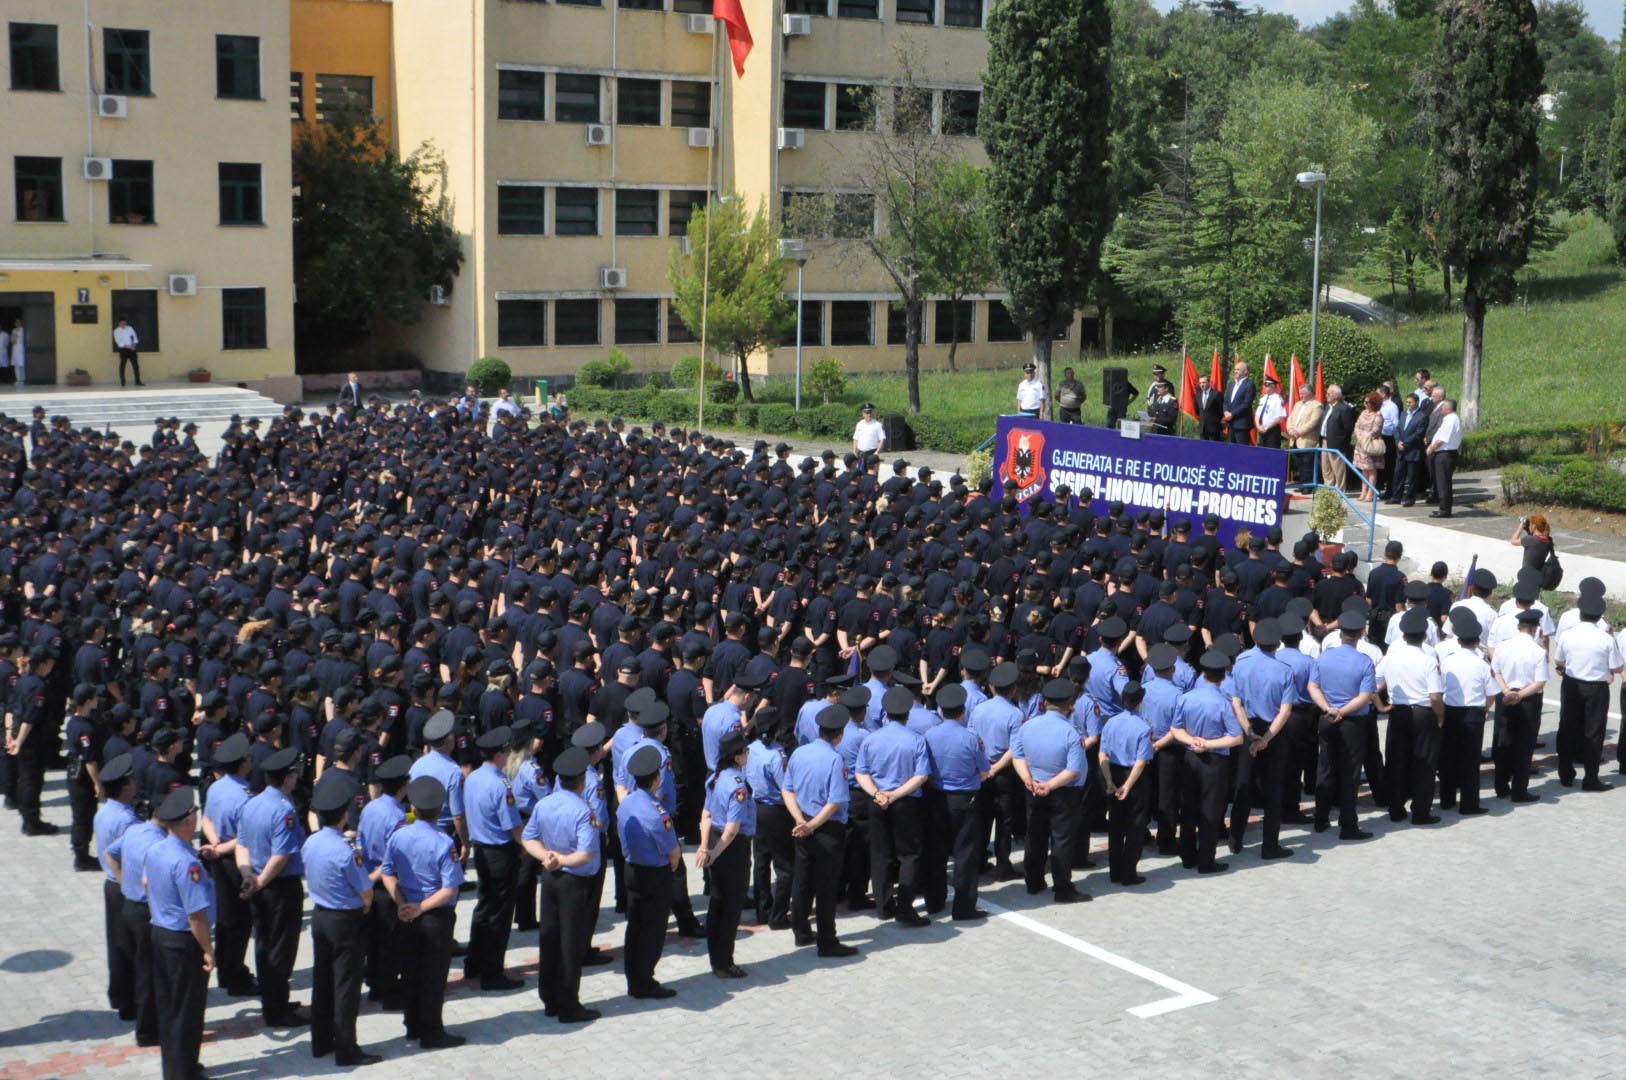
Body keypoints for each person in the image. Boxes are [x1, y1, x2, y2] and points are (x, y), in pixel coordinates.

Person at [382, 776, 467, 1047]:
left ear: (413, 808)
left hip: (407, 913)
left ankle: (413, 1025)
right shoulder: (443, 842)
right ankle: (432, 1032)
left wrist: (401, 904)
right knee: (433, 976)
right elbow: (449, 890)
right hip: (434, 916)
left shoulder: (398, 836)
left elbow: (387, 873)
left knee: (410, 972)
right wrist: (420, 908)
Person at [302, 779, 381, 1066]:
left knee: (322, 981)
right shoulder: (347, 852)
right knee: (346, 986)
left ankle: (320, 1041)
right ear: (344, 815)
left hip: (321, 915)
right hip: (345, 921)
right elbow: (366, 892)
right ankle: (347, 1049)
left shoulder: (311, 842)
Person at [521, 746, 601, 1024]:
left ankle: (550, 999)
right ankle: (569, 1005)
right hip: (573, 881)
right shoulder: (583, 810)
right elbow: (586, 853)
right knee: (571, 944)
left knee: (550, 939)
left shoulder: (544, 804)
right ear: (581, 781)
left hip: (550, 878)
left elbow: (528, 838)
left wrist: (546, 857)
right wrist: (562, 860)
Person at [235, 746, 310, 1027]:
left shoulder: (251, 804)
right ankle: (277, 1011)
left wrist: (248, 875)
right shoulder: (284, 811)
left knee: (265, 946)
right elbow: (281, 856)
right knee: (281, 949)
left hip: (256, 881)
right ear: (288, 778)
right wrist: (261, 882)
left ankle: (274, 999)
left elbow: (241, 844)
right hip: (278, 887)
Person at [144, 787, 215, 1080]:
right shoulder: (188, 864)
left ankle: (177, 1067)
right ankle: (183, 1072)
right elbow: (196, 916)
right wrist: (208, 950)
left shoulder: (158, 848)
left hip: (160, 933)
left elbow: (147, 883)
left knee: (169, 1006)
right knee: (187, 1010)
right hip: (183, 941)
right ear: (187, 821)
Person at [782, 704, 857, 957]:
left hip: (802, 825)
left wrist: (800, 821)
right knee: (826, 886)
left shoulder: (799, 753)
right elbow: (835, 800)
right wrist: (813, 825)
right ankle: (827, 940)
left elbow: (787, 789)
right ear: (839, 735)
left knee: (802, 880)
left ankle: (801, 932)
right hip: (826, 829)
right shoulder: (835, 759)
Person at [1012, 678, 1090, 902]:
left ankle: (1034, 882)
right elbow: (1073, 770)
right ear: (1070, 705)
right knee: (1062, 840)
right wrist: (1051, 785)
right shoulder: (1071, 733)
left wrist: (1028, 779)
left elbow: (1017, 756)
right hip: (1063, 793)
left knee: (1035, 836)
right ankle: (1063, 888)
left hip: (1034, 789)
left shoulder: (1027, 726)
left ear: (1044, 702)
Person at [1227, 619, 1296, 859]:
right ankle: (1269, 845)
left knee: (1243, 784)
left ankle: (1235, 839)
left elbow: (1235, 702)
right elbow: (1285, 710)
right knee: (1273, 788)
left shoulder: (1241, 663)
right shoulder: (1284, 670)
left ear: (1255, 640)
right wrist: (1266, 738)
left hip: (1248, 728)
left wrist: (1249, 732)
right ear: (1277, 643)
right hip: (1273, 732)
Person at [463, 726, 525, 990]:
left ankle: (473, 962)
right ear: (501, 754)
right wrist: (526, 845)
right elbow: (512, 825)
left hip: (481, 850)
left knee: (483, 908)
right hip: (501, 852)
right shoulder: (501, 785)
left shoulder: (474, 777)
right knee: (499, 915)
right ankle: (492, 973)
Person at [1308, 611, 1378, 841]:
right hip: (1353, 722)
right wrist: (1343, 711)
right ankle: (1348, 825)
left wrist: (1329, 709)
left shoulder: (1324, 657)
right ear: (1361, 633)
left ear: (1340, 634)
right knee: (1350, 773)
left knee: (1325, 768)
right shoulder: (1364, 661)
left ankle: (1320, 818)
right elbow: (1365, 696)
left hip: (1326, 719)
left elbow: (1312, 687)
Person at [1172, 651, 1245, 873]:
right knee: (1211, 812)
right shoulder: (1223, 703)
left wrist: (1192, 742)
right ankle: (1206, 861)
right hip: (1215, 762)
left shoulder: (1185, 698)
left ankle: (1187, 856)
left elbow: (1176, 729)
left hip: (1190, 757)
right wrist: (1209, 744)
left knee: (1189, 808)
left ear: (1203, 674)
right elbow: (1237, 737)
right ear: (1223, 677)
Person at [618, 744, 681, 999]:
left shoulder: (627, 803)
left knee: (635, 926)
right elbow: (673, 851)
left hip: (631, 869)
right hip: (654, 875)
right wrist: (673, 865)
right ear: (656, 778)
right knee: (653, 930)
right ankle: (645, 981)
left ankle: (634, 977)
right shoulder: (658, 812)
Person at [199, 732, 257, 996]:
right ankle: (235, 976)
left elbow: (207, 820)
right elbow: (245, 838)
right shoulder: (245, 797)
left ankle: (225, 969)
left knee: (224, 918)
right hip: (236, 863)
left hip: (217, 861)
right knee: (240, 922)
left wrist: (213, 845)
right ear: (243, 763)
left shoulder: (215, 787)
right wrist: (221, 848)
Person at [1375, 608, 1445, 825]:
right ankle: (1421, 811)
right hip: (1423, 713)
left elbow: (1374, 684)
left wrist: (1380, 706)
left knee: (1396, 761)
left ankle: (1396, 809)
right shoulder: (1428, 660)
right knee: (1424, 762)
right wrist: (1441, 717)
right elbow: (1435, 696)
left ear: (1403, 635)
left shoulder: (1391, 658)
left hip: (1398, 711)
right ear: (1424, 636)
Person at [696, 728, 754, 977]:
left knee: (717, 904)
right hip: (731, 848)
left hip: (715, 842)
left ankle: (715, 959)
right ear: (738, 756)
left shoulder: (716, 777)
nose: (748, 754)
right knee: (731, 907)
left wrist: (704, 846)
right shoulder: (737, 785)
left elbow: (706, 814)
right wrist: (715, 852)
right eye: (745, 751)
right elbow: (732, 829)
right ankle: (725, 962)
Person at [1551, 594, 1622, 791]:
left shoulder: (1568, 634)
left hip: (1572, 684)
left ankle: (1565, 774)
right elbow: (1616, 666)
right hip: (1597, 689)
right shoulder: (1606, 638)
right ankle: (1591, 778)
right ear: (1600, 616)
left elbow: (1558, 660)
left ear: (1580, 613)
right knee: (1594, 732)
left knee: (1567, 727)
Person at [94, 754, 140, 1020]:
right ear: (125, 786)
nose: (135, 783)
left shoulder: (105, 811)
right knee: (131, 947)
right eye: (132, 780)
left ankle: (119, 994)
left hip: (111, 884)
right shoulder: (126, 820)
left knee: (117, 944)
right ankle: (131, 1002)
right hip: (125, 884)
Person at [1438, 609, 1496, 816]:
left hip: (1451, 712)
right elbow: (1491, 693)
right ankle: (1469, 803)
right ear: (1476, 641)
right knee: (1470, 760)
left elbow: (1441, 687)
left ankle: (1446, 799)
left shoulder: (1448, 661)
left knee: (1448, 757)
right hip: (1473, 714)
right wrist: (1486, 709)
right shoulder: (1481, 664)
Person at [1097, 681, 1153, 885]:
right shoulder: (1143, 727)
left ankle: (1115, 872)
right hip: (1134, 779)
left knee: (1116, 826)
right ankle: (1129, 873)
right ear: (1140, 702)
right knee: (1135, 826)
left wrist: (1110, 780)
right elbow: (1140, 762)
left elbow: (1102, 753)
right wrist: (1128, 786)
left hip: (1114, 772)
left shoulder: (1110, 722)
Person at [1491, 608, 1547, 803]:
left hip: (1505, 696)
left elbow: (1496, 672)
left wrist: (1508, 692)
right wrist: (1519, 695)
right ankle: (1519, 791)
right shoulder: (1538, 651)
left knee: (1504, 742)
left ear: (1519, 627)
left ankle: (1501, 786)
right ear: (1534, 628)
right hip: (1528, 700)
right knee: (1524, 745)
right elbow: (1540, 682)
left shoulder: (1502, 646)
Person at [1426, 398, 1463, 518]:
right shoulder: (1450, 419)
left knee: (1443, 483)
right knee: (1443, 482)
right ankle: (1444, 507)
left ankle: (1445, 509)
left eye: (1443, 407)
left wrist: (1431, 447)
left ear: (1448, 408)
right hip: (1444, 454)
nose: (1441, 409)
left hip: (1445, 454)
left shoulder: (1451, 419)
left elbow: (1442, 439)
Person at [1392, 392, 1429, 505]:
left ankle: (1409, 498)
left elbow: (1419, 434)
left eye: (1410, 402)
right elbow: (1397, 429)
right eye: (1407, 402)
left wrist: (1405, 443)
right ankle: (1396, 496)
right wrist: (1398, 441)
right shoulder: (1403, 414)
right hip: (1401, 450)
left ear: (1416, 402)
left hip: (1413, 450)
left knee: (1412, 477)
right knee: (1398, 474)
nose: (1408, 404)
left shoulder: (1422, 416)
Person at [1320, 385, 1354, 491]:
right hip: (1324, 440)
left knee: (1338, 468)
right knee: (1326, 467)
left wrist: (1342, 442)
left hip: (1337, 443)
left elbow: (1348, 428)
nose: (1326, 395)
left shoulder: (1344, 409)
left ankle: (1340, 490)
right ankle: (1328, 488)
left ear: (1335, 395)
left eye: (1328, 394)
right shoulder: (1327, 406)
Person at [1352, 392, 1385, 492]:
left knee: (1371, 470)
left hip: (1370, 445)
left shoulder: (1378, 415)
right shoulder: (1363, 413)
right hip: (1360, 445)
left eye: (1367, 402)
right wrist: (1358, 435)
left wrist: (1364, 437)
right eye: (1365, 402)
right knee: (1363, 469)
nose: (1365, 404)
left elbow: (1376, 430)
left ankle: (1370, 493)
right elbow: (1357, 425)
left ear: (1374, 403)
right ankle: (1363, 492)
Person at [1512, 513, 1556, 579]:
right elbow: (1538, 540)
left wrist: (1521, 527)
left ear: (1534, 526)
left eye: (1530, 525)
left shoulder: (1529, 539)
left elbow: (1513, 541)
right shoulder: (1549, 541)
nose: (1529, 526)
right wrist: (1529, 531)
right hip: (1539, 576)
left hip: (1526, 576)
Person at [1222, 359, 1255, 444]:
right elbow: (1226, 400)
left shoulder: (1249, 385)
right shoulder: (1231, 384)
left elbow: (1246, 404)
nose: (1235, 371)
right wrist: (1225, 411)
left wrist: (1232, 414)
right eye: (1235, 369)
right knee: (1230, 451)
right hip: (1231, 424)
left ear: (1245, 371)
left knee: (1241, 451)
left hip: (1241, 424)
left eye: (1238, 369)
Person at [1253, 375, 1286, 448]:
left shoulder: (1278, 399)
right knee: (1261, 452)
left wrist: (1266, 427)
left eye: (1268, 385)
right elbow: (1257, 414)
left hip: (1272, 430)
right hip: (1261, 430)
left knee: (1271, 452)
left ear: (1273, 386)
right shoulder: (1263, 398)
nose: (1265, 387)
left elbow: (1279, 417)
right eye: (1265, 385)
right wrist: (1258, 426)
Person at [114, 318, 144, 387]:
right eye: (122, 323)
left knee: (136, 366)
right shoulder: (116, 331)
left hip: (132, 349)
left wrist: (133, 344)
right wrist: (129, 347)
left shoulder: (130, 328)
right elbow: (119, 343)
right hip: (123, 350)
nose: (123, 324)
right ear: (119, 323)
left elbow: (135, 337)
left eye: (124, 323)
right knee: (122, 366)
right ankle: (123, 382)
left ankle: (138, 381)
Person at [1195, 374, 1224, 440]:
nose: (1202, 385)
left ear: (1209, 382)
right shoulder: (1197, 396)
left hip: (1214, 429)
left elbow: (1221, 411)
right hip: (1202, 429)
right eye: (1200, 383)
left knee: (1213, 449)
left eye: (1204, 382)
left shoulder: (1216, 394)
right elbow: (1197, 411)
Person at [9, 318, 25, 384]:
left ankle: (23, 379)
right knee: (16, 365)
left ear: (21, 323)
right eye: (16, 322)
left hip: (21, 348)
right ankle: (18, 380)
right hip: (15, 349)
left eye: (18, 322)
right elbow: (12, 340)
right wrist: (13, 338)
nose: (17, 323)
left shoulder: (23, 330)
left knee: (22, 365)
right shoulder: (13, 330)